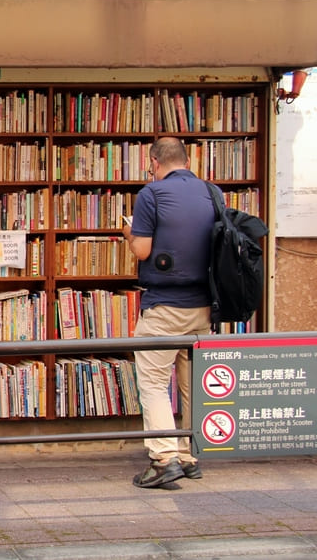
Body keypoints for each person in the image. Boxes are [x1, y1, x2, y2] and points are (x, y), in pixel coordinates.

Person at [122, 136, 213, 489]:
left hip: (164, 304)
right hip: (204, 306)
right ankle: (189, 455)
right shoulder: (212, 192)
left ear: (156, 162)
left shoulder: (152, 193)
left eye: (150, 166)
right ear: (186, 161)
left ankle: (164, 459)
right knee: (192, 385)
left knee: (154, 383)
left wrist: (130, 233)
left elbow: (143, 251)